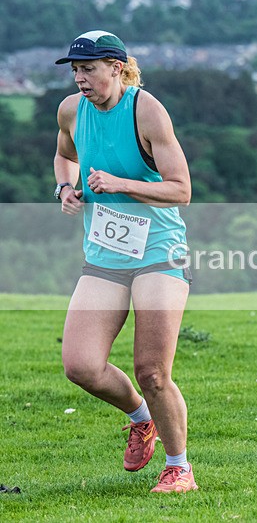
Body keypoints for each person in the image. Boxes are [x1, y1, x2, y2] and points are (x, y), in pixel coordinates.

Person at [53, 30, 197, 493]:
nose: (80, 79)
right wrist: (65, 188)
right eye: (75, 70)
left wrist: (123, 184)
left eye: (89, 69)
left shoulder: (146, 110)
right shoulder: (72, 111)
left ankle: (179, 468)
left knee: (152, 370)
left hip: (159, 251)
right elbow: (63, 155)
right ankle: (141, 419)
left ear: (117, 67)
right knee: (81, 365)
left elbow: (181, 189)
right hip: (105, 255)